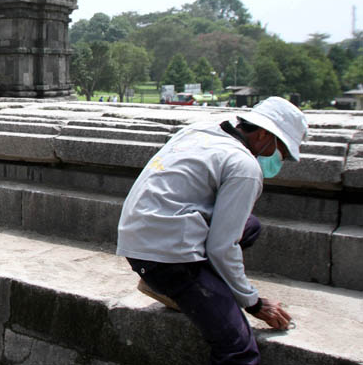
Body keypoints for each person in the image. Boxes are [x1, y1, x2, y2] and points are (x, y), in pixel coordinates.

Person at [117, 96, 307, 365]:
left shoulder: (201, 129)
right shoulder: (245, 167)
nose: (279, 159)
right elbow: (222, 246)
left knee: (249, 226)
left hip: (139, 238)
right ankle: (181, 287)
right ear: (264, 134)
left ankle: (178, 288)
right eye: (282, 152)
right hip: (168, 257)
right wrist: (253, 302)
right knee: (239, 349)